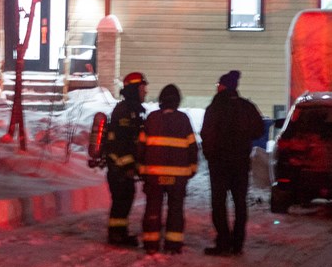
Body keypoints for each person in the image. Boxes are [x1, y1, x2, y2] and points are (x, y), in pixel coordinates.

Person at [200, 70, 265, 256]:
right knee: (240, 203)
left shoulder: (215, 107)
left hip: (219, 164)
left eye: (218, 85)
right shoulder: (246, 107)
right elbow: (259, 130)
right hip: (240, 163)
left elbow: (207, 133)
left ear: (223, 86)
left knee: (219, 203)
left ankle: (223, 241)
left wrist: (210, 154)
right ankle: (237, 243)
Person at [137, 83, 198, 254]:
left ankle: (151, 243)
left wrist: (141, 169)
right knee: (176, 210)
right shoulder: (184, 120)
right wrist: (191, 169)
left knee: (153, 208)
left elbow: (141, 146)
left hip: (154, 174)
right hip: (178, 177)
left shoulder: (152, 119)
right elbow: (193, 147)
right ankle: (173, 244)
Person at [103, 72, 148, 246]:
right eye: (142, 88)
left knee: (124, 200)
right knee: (121, 201)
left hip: (122, 167)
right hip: (119, 167)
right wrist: (128, 165)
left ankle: (119, 233)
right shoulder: (125, 111)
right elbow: (121, 142)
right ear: (134, 89)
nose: (145, 92)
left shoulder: (133, 109)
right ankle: (116, 236)